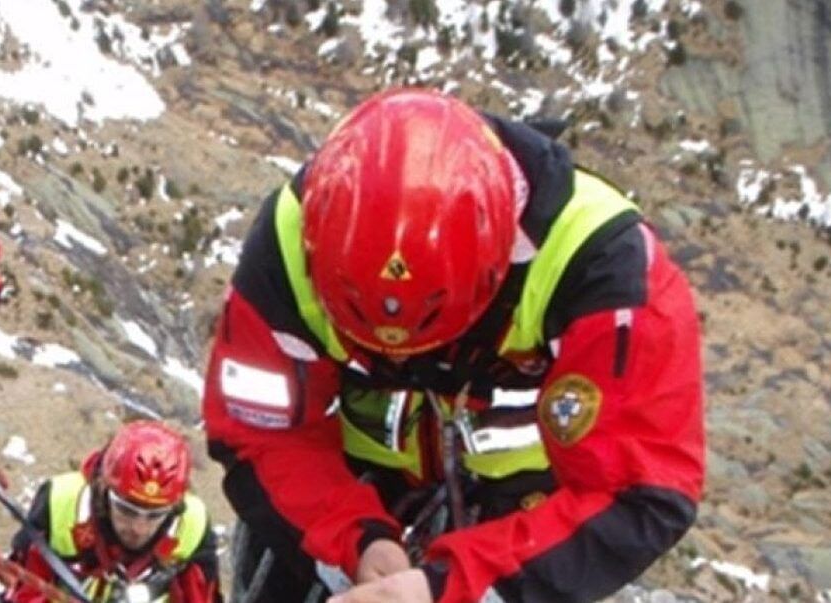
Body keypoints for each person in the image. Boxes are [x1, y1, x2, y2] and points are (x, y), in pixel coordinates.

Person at [201, 88, 705, 602]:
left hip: (529, 520)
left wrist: (451, 589)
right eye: (370, 339)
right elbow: (258, 433)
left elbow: (638, 490)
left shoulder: (604, 268)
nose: (398, 355)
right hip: (348, 488)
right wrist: (357, 540)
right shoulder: (286, 248)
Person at [5, 421, 221, 603]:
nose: (138, 528)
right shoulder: (60, 503)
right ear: (103, 488)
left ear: (176, 507)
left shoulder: (193, 526)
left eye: (155, 515)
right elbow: (24, 589)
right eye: (126, 510)